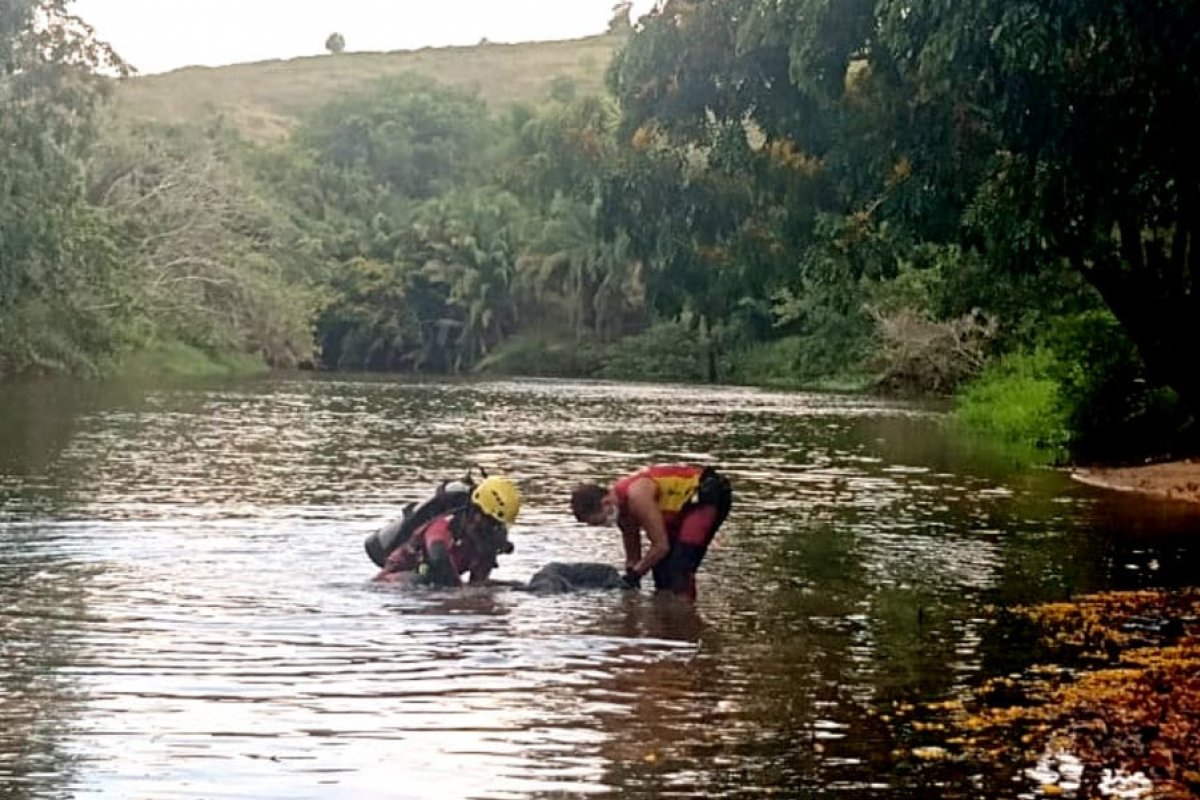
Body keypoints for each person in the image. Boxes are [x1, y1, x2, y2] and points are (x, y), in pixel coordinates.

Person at [570, 465, 732, 602]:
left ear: (606, 503)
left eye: (599, 521)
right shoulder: (621, 513)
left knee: (679, 567)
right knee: (661, 572)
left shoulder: (637, 496)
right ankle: (665, 619)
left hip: (705, 493)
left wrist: (636, 575)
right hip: (680, 508)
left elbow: (661, 546)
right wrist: (629, 588)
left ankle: (684, 620)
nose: (604, 525)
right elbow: (633, 558)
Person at [375, 476, 521, 587]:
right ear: (478, 514)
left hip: (436, 586)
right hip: (394, 583)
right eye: (493, 523)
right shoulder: (446, 524)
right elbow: (438, 555)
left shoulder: (485, 543)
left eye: (500, 525)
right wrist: (459, 590)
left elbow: (477, 585)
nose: (496, 530)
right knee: (420, 581)